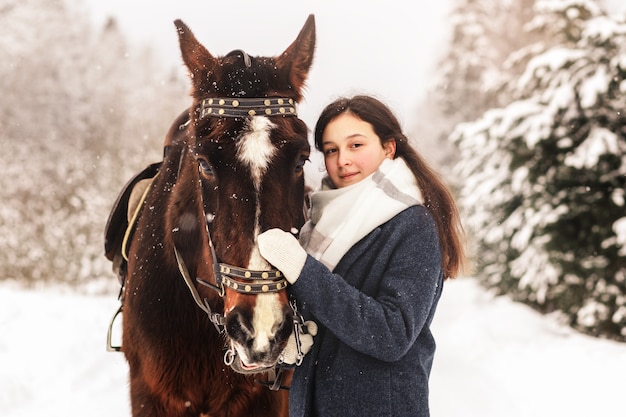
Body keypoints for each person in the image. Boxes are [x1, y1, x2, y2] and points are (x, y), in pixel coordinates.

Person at [258, 95, 468, 417]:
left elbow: (391, 333)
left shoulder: (412, 225)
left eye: (356, 145)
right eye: (331, 150)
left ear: (389, 148)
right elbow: (328, 313)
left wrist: (303, 269)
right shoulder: (322, 222)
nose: (343, 160)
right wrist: (293, 335)